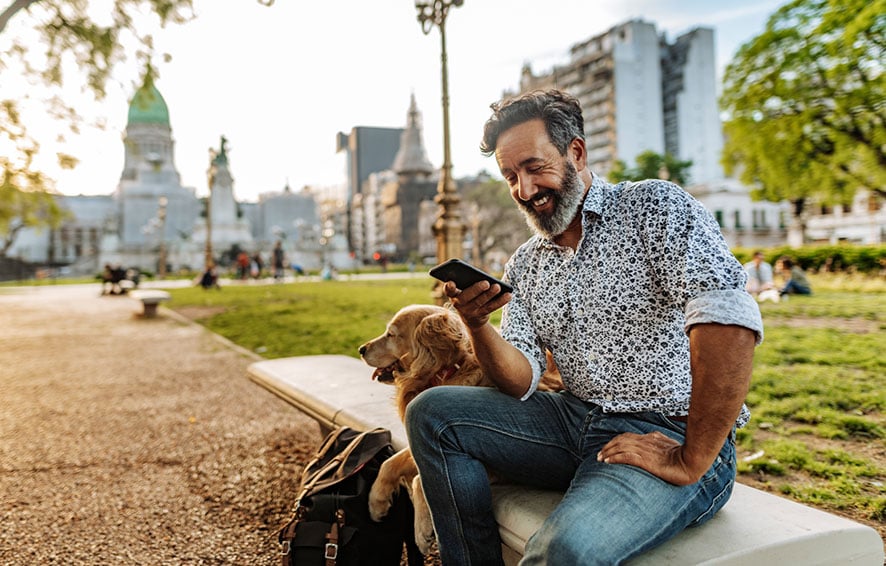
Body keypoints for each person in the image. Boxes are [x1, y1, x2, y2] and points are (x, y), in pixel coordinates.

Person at [405, 90, 763, 565]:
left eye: (535, 168)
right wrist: (477, 325)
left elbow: (728, 317)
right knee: (433, 413)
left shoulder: (652, 208)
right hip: (571, 420)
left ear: (575, 151)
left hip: (664, 432)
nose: (524, 190)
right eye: (511, 176)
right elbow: (520, 380)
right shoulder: (526, 264)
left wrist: (691, 457)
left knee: (562, 553)